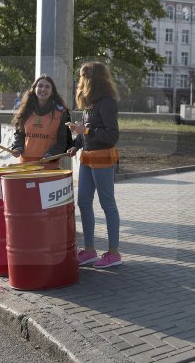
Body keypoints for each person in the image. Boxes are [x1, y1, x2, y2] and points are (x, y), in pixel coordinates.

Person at [66, 62, 122, 268]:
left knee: (107, 204)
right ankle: (89, 250)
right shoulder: (90, 103)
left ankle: (114, 253)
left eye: (84, 78)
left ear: (93, 79)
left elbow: (112, 135)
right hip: (88, 158)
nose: (81, 82)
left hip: (103, 158)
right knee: (83, 202)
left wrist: (85, 132)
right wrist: (76, 144)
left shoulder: (106, 102)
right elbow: (86, 130)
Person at [10, 75, 72, 169]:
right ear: (34, 89)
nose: (43, 89)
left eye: (47, 87)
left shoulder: (62, 112)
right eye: (40, 86)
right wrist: (17, 147)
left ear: (52, 91)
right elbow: (20, 134)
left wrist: (50, 154)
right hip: (26, 164)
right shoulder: (25, 110)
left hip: (49, 164)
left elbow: (63, 141)